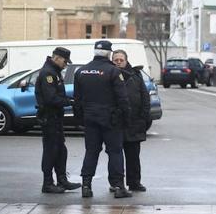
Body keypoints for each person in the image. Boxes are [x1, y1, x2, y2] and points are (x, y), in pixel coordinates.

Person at [73, 40, 132, 199]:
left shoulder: (81, 71)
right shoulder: (113, 72)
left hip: (90, 118)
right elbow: (123, 99)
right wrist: (126, 119)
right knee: (115, 152)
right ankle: (119, 186)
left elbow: (76, 100)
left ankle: (86, 186)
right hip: (111, 119)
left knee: (91, 152)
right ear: (109, 53)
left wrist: (80, 120)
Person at [35, 47, 82, 194]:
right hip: (49, 117)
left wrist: (68, 100)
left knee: (61, 150)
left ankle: (62, 180)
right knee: (51, 150)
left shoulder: (54, 72)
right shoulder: (48, 73)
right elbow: (50, 98)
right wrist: (69, 102)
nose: (65, 64)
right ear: (56, 58)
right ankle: (48, 183)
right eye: (64, 61)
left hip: (56, 117)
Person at [112, 49, 150, 192]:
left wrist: (144, 116)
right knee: (116, 156)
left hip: (135, 122)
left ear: (126, 61)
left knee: (133, 156)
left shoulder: (135, 74)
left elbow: (144, 96)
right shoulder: (110, 74)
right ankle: (117, 183)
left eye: (121, 59)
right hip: (117, 122)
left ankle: (134, 182)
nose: (119, 62)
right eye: (116, 60)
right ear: (112, 61)